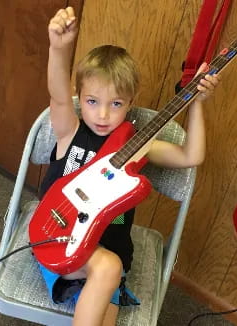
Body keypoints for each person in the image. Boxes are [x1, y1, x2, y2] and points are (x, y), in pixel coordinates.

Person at [37, 6, 220, 326]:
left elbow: (191, 156)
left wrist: (197, 107)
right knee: (108, 268)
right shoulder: (71, 131)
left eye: (116, 104)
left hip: (108, 253)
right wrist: (58, 47)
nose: (103, 115)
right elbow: (58, 96)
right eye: (93, 102)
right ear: (81, 97)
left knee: (108, 286)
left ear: (130, 103)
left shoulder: (137, 148)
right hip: (59, 240)